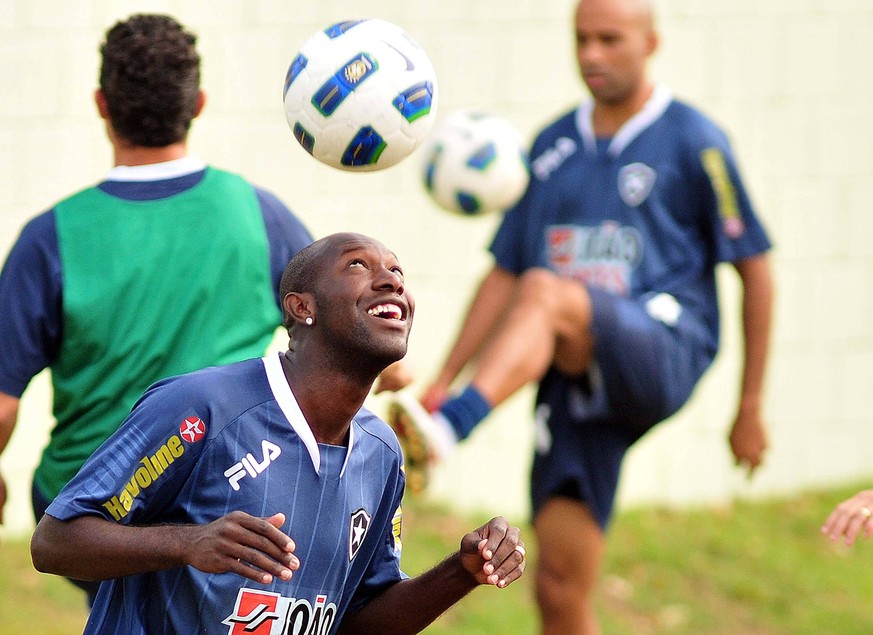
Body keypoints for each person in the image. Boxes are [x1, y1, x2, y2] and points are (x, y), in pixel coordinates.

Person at [388, 0, 774, 632]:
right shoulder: (550, 147)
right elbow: (505, 271)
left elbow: (754, 268)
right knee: (559, 587)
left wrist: (750, 405)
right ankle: (450, 420)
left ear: (651, 41)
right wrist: (442, 381)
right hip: (574, 373)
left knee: (549, 291)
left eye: (610, 39)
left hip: (663, 343)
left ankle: (455, 429)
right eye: (581, 39)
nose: (592, 54)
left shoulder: (695, 141)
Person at [30, 232, 526, 634]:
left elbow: (360, 622)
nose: (390, 281)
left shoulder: (382, 454)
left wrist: (461, 572)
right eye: (358, 266)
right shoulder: (201, 406)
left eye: (397, 272)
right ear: (300, 307)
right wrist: (189, 542)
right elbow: (54, 542)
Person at [0, 14, 314, 602]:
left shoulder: (50, 237)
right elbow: (341, 340)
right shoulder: (258, 214)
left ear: (101, 104)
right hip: (229, 498)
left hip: (94, 506)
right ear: (197, 104)